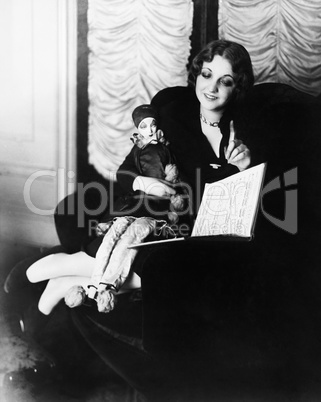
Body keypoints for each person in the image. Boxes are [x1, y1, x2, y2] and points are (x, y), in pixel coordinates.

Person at [25, 104, 186, 315]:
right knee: (120, 237)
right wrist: (142, 182)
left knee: (148, 260)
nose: (150, 129)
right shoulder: (145, 145)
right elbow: (125, 172)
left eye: (152, 124)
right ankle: (69, 265)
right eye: (145, 126)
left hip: (169, 219)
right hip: (138, 208)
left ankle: (73, 283)